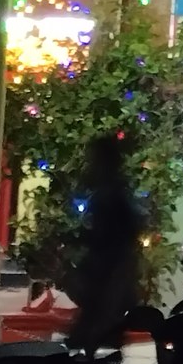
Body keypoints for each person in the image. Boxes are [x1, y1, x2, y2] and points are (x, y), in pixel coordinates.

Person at [65, 136, 145, 351]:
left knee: (90, 349)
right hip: (105, 288)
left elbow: (115, 244)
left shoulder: (111, 197)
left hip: (107, 289)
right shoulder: (112, 195)